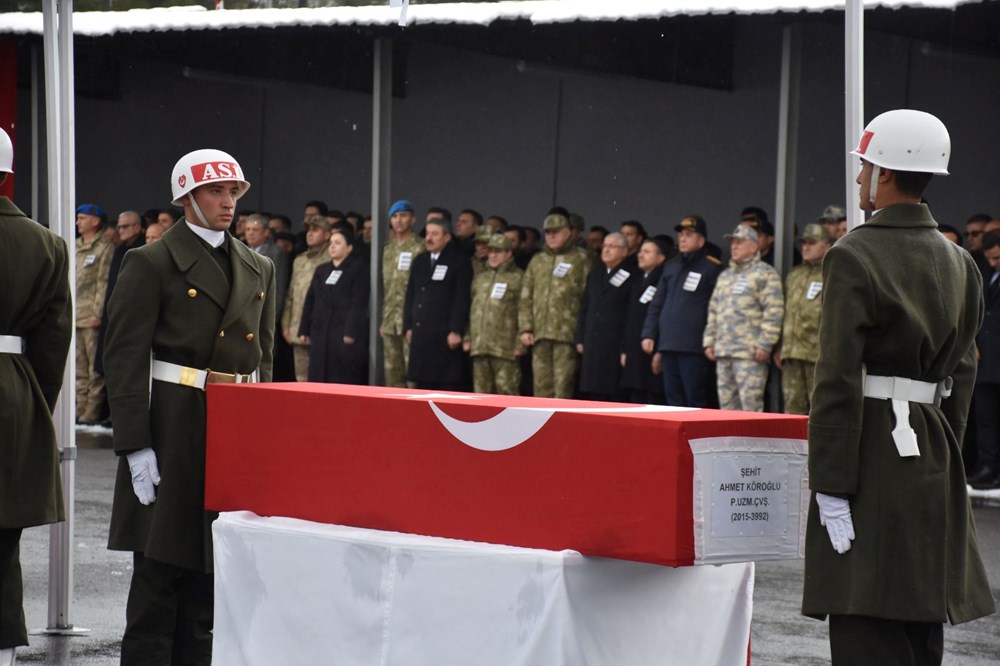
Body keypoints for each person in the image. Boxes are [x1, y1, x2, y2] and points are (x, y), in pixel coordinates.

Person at [802, 109, 995, 664]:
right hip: (931, 445)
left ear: (884, 173)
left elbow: (837, 375)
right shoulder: (960, 260)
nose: (861, 176)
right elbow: (963, 367)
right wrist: (945, 444)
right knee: (918, 616)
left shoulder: (855, 254)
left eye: (865, 166)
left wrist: (831, 480)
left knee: (867, 614)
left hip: (870, 451)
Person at [104, 148, 275, 665]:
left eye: (233, 193)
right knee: (158, 578)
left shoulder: (259, 266)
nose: (228, 203)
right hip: (174, 423)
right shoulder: (150, 261)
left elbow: (262, 359)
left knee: (210, 580)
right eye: (215, 192)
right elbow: (124, 356)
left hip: (231, 425)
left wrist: (263, 441)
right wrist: (135, 443)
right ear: (186, 198)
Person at [0, 126, 73, 666]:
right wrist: (31, 406)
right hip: (16, 390)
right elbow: (53, 344)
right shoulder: (48, 243)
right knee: (3, 542)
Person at [641, 216, 723, 407]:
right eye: (681, 235)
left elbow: (716, 307)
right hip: (669, 344)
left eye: (689, 235)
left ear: (701, 240)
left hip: (694, 346)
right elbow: (657, 303)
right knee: (672, 399)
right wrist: (649, 333)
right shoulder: (671, 266)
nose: (683, 239)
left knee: (695, 399)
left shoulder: (712, 267)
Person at [703, 225, 783, 411]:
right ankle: (731, 442)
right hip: (723, 351)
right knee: (727, 409)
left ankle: (752, 442)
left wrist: (765, 344)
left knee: (750, 408)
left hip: (750, 353)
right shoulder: (725, 275)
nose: (734, 246)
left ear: (753, 247)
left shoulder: (765, 273)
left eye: (739, 242)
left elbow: (774, 311)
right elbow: (714, 309)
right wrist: (709, 340)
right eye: (732, 243)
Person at [518, 208, 592, 398]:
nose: (551, 236)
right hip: (540, 333)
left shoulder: (582, 258)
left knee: (563, 387)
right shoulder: (538, 260)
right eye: (548, 232)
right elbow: (526, 295)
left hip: (567, 333)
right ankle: (541, 426)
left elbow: (588, 298)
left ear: (568, 231)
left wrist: (582, 333)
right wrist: (526, 328)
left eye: (556, 231)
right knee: (541, 387)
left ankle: (561, 427)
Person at [403, 217, 472, 390]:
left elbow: (461, 298)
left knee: (445, 382)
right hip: (421, 331)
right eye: (427, 233)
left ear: (447, 237)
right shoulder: (420, 261)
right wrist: (408, 326)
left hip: (444, 333)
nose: (429, 238)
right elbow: (411, 294)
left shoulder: (458, 261)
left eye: (435, 234)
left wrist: (456, 330)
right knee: (421, 383)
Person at [299, 226, 369, 385]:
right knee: (317, 375)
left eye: (337, 243)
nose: (332, 246)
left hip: (342, 332)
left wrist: (350, 332)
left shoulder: (358, 269)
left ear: (349, 247)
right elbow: (310, 299)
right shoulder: (322, 269)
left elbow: (359, 303)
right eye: (331, 243)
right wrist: (304, 328)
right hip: (320, 331)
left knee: (339, 376)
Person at [775, 223, 831, 415]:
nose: (805, 247)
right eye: (804, 243)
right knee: (792, 410)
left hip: (817, 354)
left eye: (812, 243)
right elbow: (786, 312)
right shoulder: (795, 274)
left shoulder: (832, 273)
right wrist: (781, 345)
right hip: (792, 354)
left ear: (826, 245)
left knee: (819, 410)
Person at [576, 232, 635, 401]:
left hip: (614, 342)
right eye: (605, 246)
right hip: (592, 341)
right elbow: (585, 307)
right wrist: (580, 337)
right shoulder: (596, 272)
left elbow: (629, 313)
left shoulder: (632, 274)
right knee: (592, 390)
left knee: (612, 390)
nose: (606, 250)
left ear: (624, 251)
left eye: (612, 246)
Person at [464, 234, 524, 395]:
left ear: (509, 253)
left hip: (505, 348)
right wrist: (468, 337)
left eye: (498, 251)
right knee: (481, 395)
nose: (493, 255)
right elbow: (473, 309)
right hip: (480, 346)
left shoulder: (518, 278)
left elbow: (524, 310)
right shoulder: (480, 278)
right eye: (490, 251)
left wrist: (520, 343)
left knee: (507, 393)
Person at [75, 202, 113, 424]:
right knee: (79, 366)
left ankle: (91, 412)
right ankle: (79, 409)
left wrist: (98, 312)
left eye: (82, 218)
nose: (78, 222)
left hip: (91, 313)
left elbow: (103, 282)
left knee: (93, 368)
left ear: (95, 221)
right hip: (76, 312)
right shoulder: (76, 245)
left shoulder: (104, 247)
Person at [283, 214, 333, 381]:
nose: (310, 233)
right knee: (301, 379)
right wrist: (287, 324)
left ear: (327, 235)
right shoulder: (299, 260)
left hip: (323, 329)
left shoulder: (332, 259)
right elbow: (291, 294)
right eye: (308, 230)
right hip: (298, 327)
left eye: (316, 230)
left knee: (323, 379)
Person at [380, 199, 425, 387]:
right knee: (392, 372)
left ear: (413, 219)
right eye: (395, 216)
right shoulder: (386, 249)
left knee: (413, 373)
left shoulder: (421, 247)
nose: (399, 220)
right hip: (390, 319)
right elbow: (384, 287)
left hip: (411, 319)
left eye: (403, 216)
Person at [968, 230, 1000, 489]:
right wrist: (974, 342)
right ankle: (987, 466)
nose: (993, 263)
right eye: (989, 258)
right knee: (986, 418)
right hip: (985, 358)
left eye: (997, 257)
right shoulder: (984, 274)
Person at [621, 237, 668, 404]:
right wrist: (625, 349)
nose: (641, 255)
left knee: (653, 396)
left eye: (647, 252)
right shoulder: (637, 279)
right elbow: (629, 317)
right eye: (641, 251)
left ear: (661, 257)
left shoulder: (664, 279)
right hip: (634, 349)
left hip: (652, 348)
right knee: (635, 396)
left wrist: (660, 350)